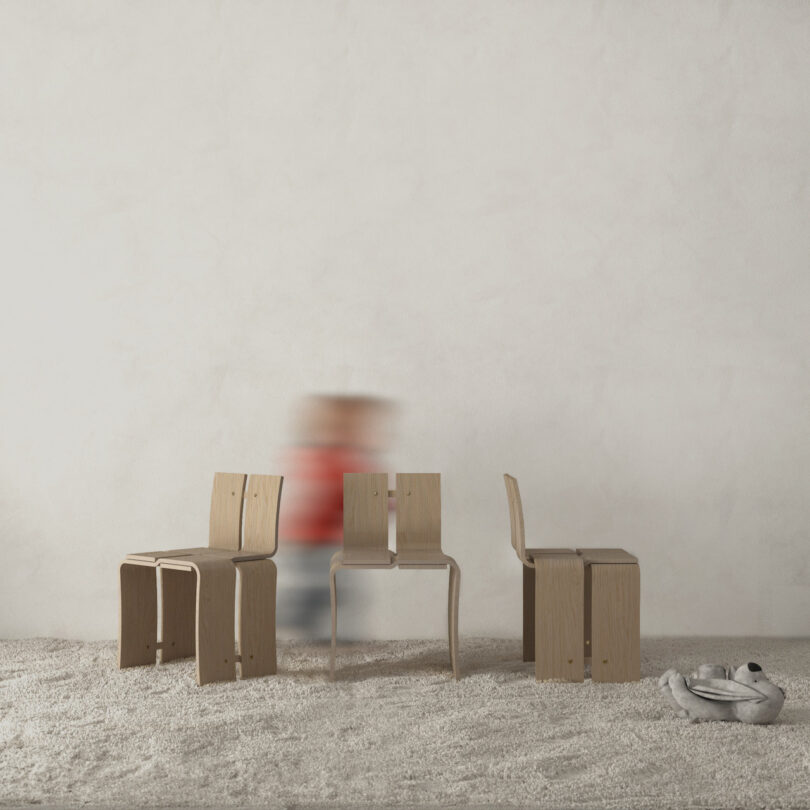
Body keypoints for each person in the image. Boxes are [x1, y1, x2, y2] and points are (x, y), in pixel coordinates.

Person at [277, 394, 394, 640]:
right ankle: (295, 619)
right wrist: (390, 503)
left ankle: (308, 623)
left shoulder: (317, 456)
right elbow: (368, 500)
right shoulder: (342, 461)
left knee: (330, 592)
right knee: (330, 592)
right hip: (320, 542)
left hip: (304, 541)